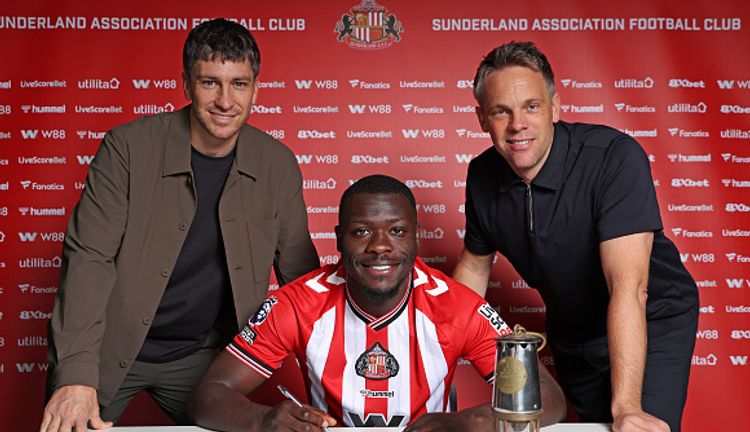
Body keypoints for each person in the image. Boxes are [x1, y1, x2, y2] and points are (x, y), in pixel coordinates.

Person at [41, 18, 319, 432]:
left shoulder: (277, 164)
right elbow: (89, 259)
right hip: (107, 348)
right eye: (210, 83)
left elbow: (303, 281)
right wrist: (77, 373)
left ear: (255, 89)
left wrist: (342, 369)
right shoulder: (127, 149)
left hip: (201, 356)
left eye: (239, 84)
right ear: (187, 85)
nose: (225, 101)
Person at [189, 174, 566, 431]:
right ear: (339, 239)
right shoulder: (298, 304)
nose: (380, 246)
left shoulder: (455, 306)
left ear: (416, 237)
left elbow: (548, 398)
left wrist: (471, 423)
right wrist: (261, 421)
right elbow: (209, 394)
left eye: (397, 231)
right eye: (361, 231)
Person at [452, 41, 699, 432]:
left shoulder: (613, 157)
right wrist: (434, 362)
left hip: (651, 320)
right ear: (482, 118)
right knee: (591, 428)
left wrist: (627, 406)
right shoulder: (481, 175)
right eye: (501, 111)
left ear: (555, 107)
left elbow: (628, 288)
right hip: (572, 331)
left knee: (634, 426)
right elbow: (474, 269)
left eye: (532, 106)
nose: (518, 124)